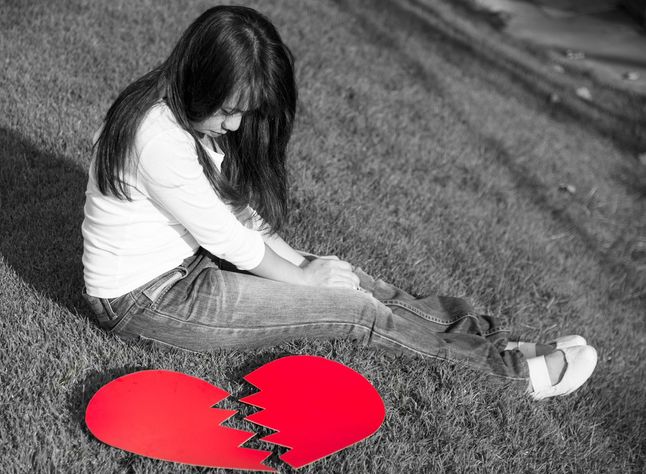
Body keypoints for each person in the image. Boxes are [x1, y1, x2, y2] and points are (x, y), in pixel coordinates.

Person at [81, 5, 597, 400]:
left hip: (190, 263)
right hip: (149, 302)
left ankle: (484, 339)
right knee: (352, 311)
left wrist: (306, 265)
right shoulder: (158, 137)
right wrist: (304, 280)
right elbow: (228, 239)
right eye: (228, 110)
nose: (236, 126)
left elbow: (236, 216)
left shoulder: (186, 112)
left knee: (344, 277)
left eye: (245, 112)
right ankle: (516, 376)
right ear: (202, 78)